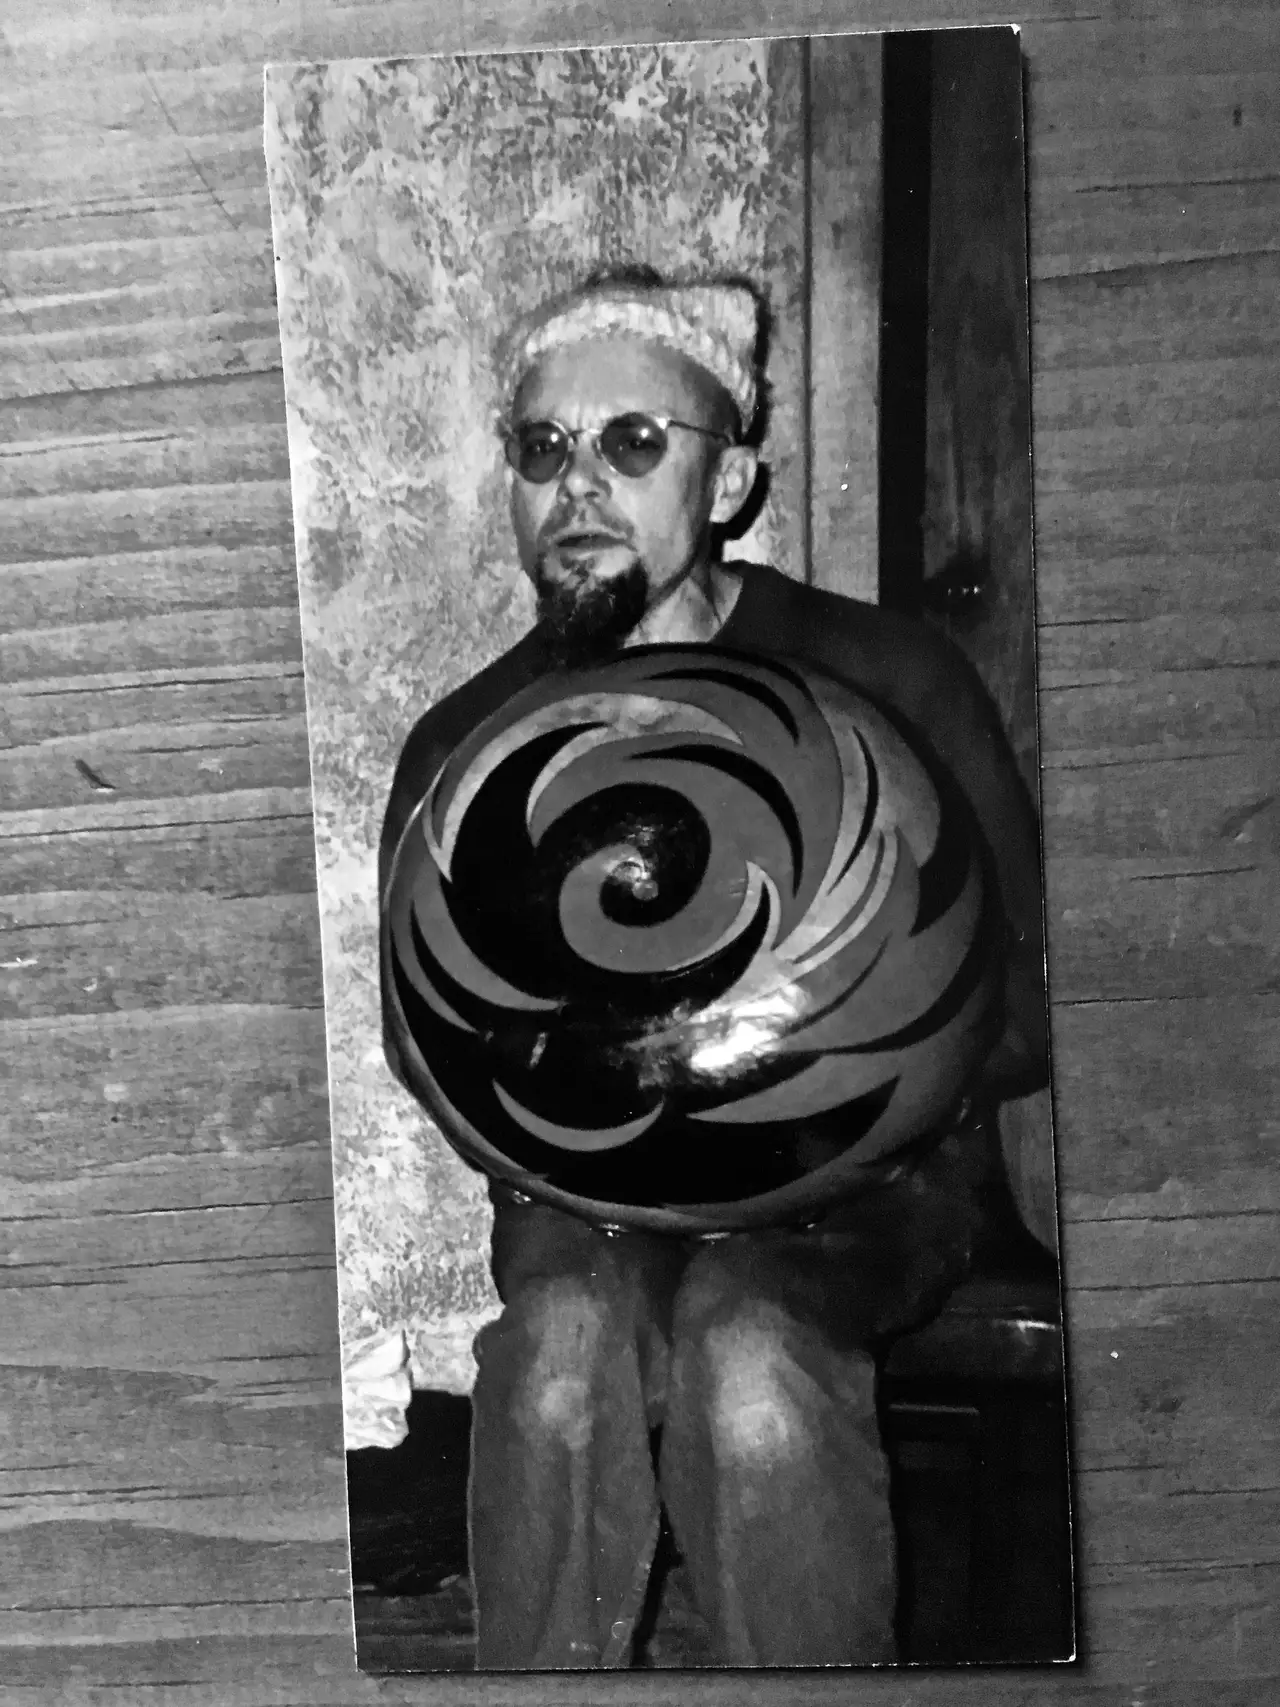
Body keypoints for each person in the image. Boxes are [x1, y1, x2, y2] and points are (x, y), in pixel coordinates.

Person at [379, 269, 1049, 1669]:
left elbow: (1027, 996)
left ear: (729, 477)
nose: (580, 486)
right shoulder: (470, 746)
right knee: (555, 1355)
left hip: (862, 1189)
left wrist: (833, 1085)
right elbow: (425, 1036)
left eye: (635, 444)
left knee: (751, 1363)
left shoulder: (884, 679)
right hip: (591, 1205)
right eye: (544, 449)